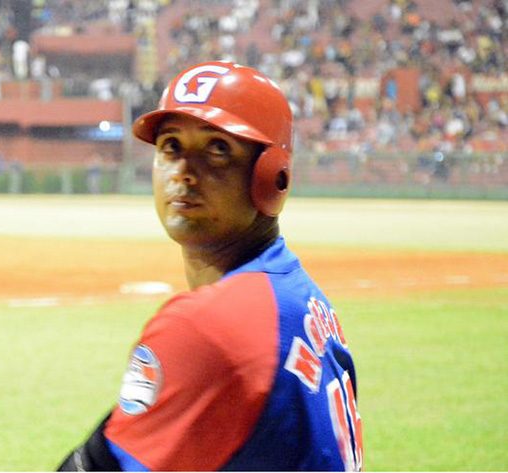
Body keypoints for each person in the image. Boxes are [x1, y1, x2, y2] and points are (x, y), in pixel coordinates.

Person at [58, 61, 363, 471]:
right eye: (171, 146)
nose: (184, 171)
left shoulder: (207, 325)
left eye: (217, 149)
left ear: (272, 175)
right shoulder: (300, 297)